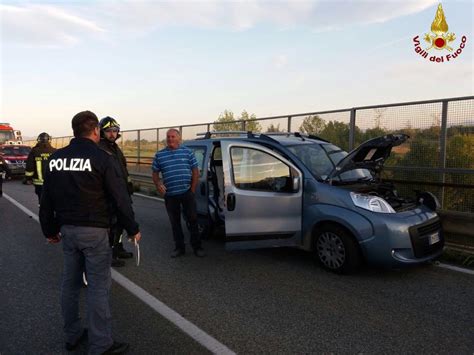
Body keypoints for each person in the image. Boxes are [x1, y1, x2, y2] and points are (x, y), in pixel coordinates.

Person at [39, 111, 141, 355]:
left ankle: (72, 335)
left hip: (67, 231)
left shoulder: (55, 159)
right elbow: (120, 197)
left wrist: (49, 230)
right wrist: (132, 228)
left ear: (74, 131)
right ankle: (101, 344)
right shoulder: (102, 158)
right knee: (97, 287)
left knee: (70, 284)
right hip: (94, 232)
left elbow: (46, 201)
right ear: (95, 130)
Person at [152, 128, 205, 258]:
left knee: (193, 220)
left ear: (179, 138)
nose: (170, 139)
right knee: (175, 223)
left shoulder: (187, 152)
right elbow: (155, 173)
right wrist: (158, 185)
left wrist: (192, 190)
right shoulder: (159, 155)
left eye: (173, 137)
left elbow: (195, 172)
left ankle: (197, 247)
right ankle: (179, 248)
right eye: (168, 137)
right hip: (170, 195)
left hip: (187, 193)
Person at [98, 116, 134, 267]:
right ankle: (110, 255)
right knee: (111, 227)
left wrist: (129, 186)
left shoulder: (115, 148)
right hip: (110, 196)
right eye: (108, 131)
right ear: (101, 132)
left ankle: (118, 249)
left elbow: (122, 170)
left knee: (120, 224)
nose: (112, 134)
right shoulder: (100, 148)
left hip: (122, 193)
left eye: (115, 131)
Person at [24, 132, 56, 205]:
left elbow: (30, 166)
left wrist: (28, 178)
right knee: (52, 200)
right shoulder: (55, 151)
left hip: (39, 183)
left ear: (38, 140)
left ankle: (43, 213)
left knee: (41, 200)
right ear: (49, 140)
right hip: (53, 182)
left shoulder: (34, 151)